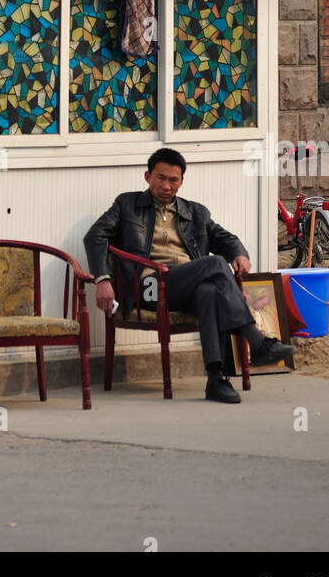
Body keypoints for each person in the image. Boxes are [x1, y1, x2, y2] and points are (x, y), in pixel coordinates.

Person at [83, 146, 292, 403]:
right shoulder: (127, 205)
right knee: (215, 264)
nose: (167, 186)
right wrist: (103, 279)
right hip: (149, 286)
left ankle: (215, 380)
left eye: (173, 180)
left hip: (185, 287)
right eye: (160, 178)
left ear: (182, 181)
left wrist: (239, 253)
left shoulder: (195, 212)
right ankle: (256, 341)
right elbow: (96, 235)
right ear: (147, 177)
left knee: (209, 292)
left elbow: (225, 238)